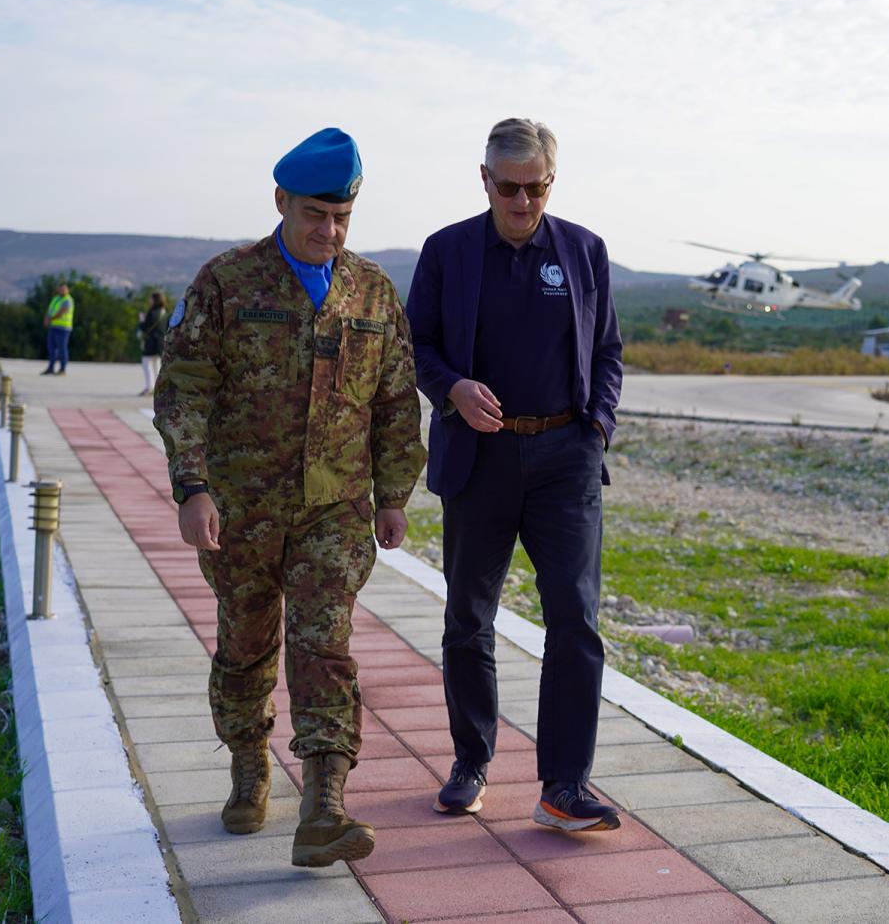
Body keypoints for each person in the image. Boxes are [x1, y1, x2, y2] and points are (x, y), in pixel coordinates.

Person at [154, 128, 426, 868]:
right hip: (241, 508)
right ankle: (248, 762)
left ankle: (325, 804)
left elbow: (398, 400)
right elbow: (183, 391)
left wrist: (394, 493)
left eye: (341, 217)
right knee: (246, 647)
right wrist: (193, 487)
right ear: (280, 202)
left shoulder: (370, 289)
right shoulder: (227, 283)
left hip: (333, 508)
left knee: (324, 644)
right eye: (315, 214)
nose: (328, 230)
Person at [406, 118, 623, 832]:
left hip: (566, 459)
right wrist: (453, 391)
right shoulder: (447, 252)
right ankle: (471, 761)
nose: (523, 202)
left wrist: (597, 428)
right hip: (481, 459)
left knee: (577, 619)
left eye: (536, 188)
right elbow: (419, 346)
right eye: (510, 187)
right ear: (485, 179)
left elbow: (610, 351)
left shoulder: (585, 251)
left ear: (550, 182)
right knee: (468, 617)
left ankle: (565, 785)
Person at [137, 290, 168, 396]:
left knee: (146, 363)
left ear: (155, 299)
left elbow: (144, 327)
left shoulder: (152, 312)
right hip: (160, 343)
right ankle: (158, 388)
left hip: (151, 342)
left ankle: (149, 387)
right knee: (157, 365)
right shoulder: (164, 311)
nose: (149, 300)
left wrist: (141, 320)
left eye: (151, 298)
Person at [41, 283, 74, 375]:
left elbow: (62, 312)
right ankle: (51, 368)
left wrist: (50, 319)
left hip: (63, 328)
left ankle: (62, 369)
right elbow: (50, 311)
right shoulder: (56, 299)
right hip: (53, 326)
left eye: (64, 289)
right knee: (51, 348)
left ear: (68, 290)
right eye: (60, 289)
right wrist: (46, 319)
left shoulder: (68, 300)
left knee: (62, 349)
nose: (62, 291)